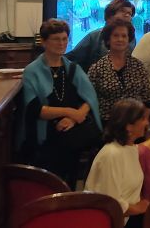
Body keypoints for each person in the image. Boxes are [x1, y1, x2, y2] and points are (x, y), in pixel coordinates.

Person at [17, 18, 103, 188]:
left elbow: (89, 98)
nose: (62, 43)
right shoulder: (32, 71)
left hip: (71, 135)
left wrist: (72, 119)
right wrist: (70, 112)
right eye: (56, 39)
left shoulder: (73, 68)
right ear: (44, 42)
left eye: (64, 39)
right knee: (48, 184)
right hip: (44, 138)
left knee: (70, 182)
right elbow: (36, 109)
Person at [85, 99, 150, 228]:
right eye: (143, 119)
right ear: (129, 126)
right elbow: (110, 202)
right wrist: (139, 208)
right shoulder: (112, 154)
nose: (147, 123)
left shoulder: (131, 149)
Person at [88, 19, 150, 122]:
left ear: (128, 39)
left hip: (136, 124)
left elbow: (147, 99)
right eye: (115, 36)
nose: (120, 39)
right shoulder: (97, 69)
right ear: (108, 40)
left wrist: (144, 123)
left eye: (124, 36)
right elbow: (89, 101)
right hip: (107, 124)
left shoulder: (138, 66)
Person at [67, 0, 135, 73]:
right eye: (123, 11)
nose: (127, 15)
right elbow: (71, 59)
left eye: (130, 13)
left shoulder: (131, 38)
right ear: (111, 14)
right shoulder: (95, 36)